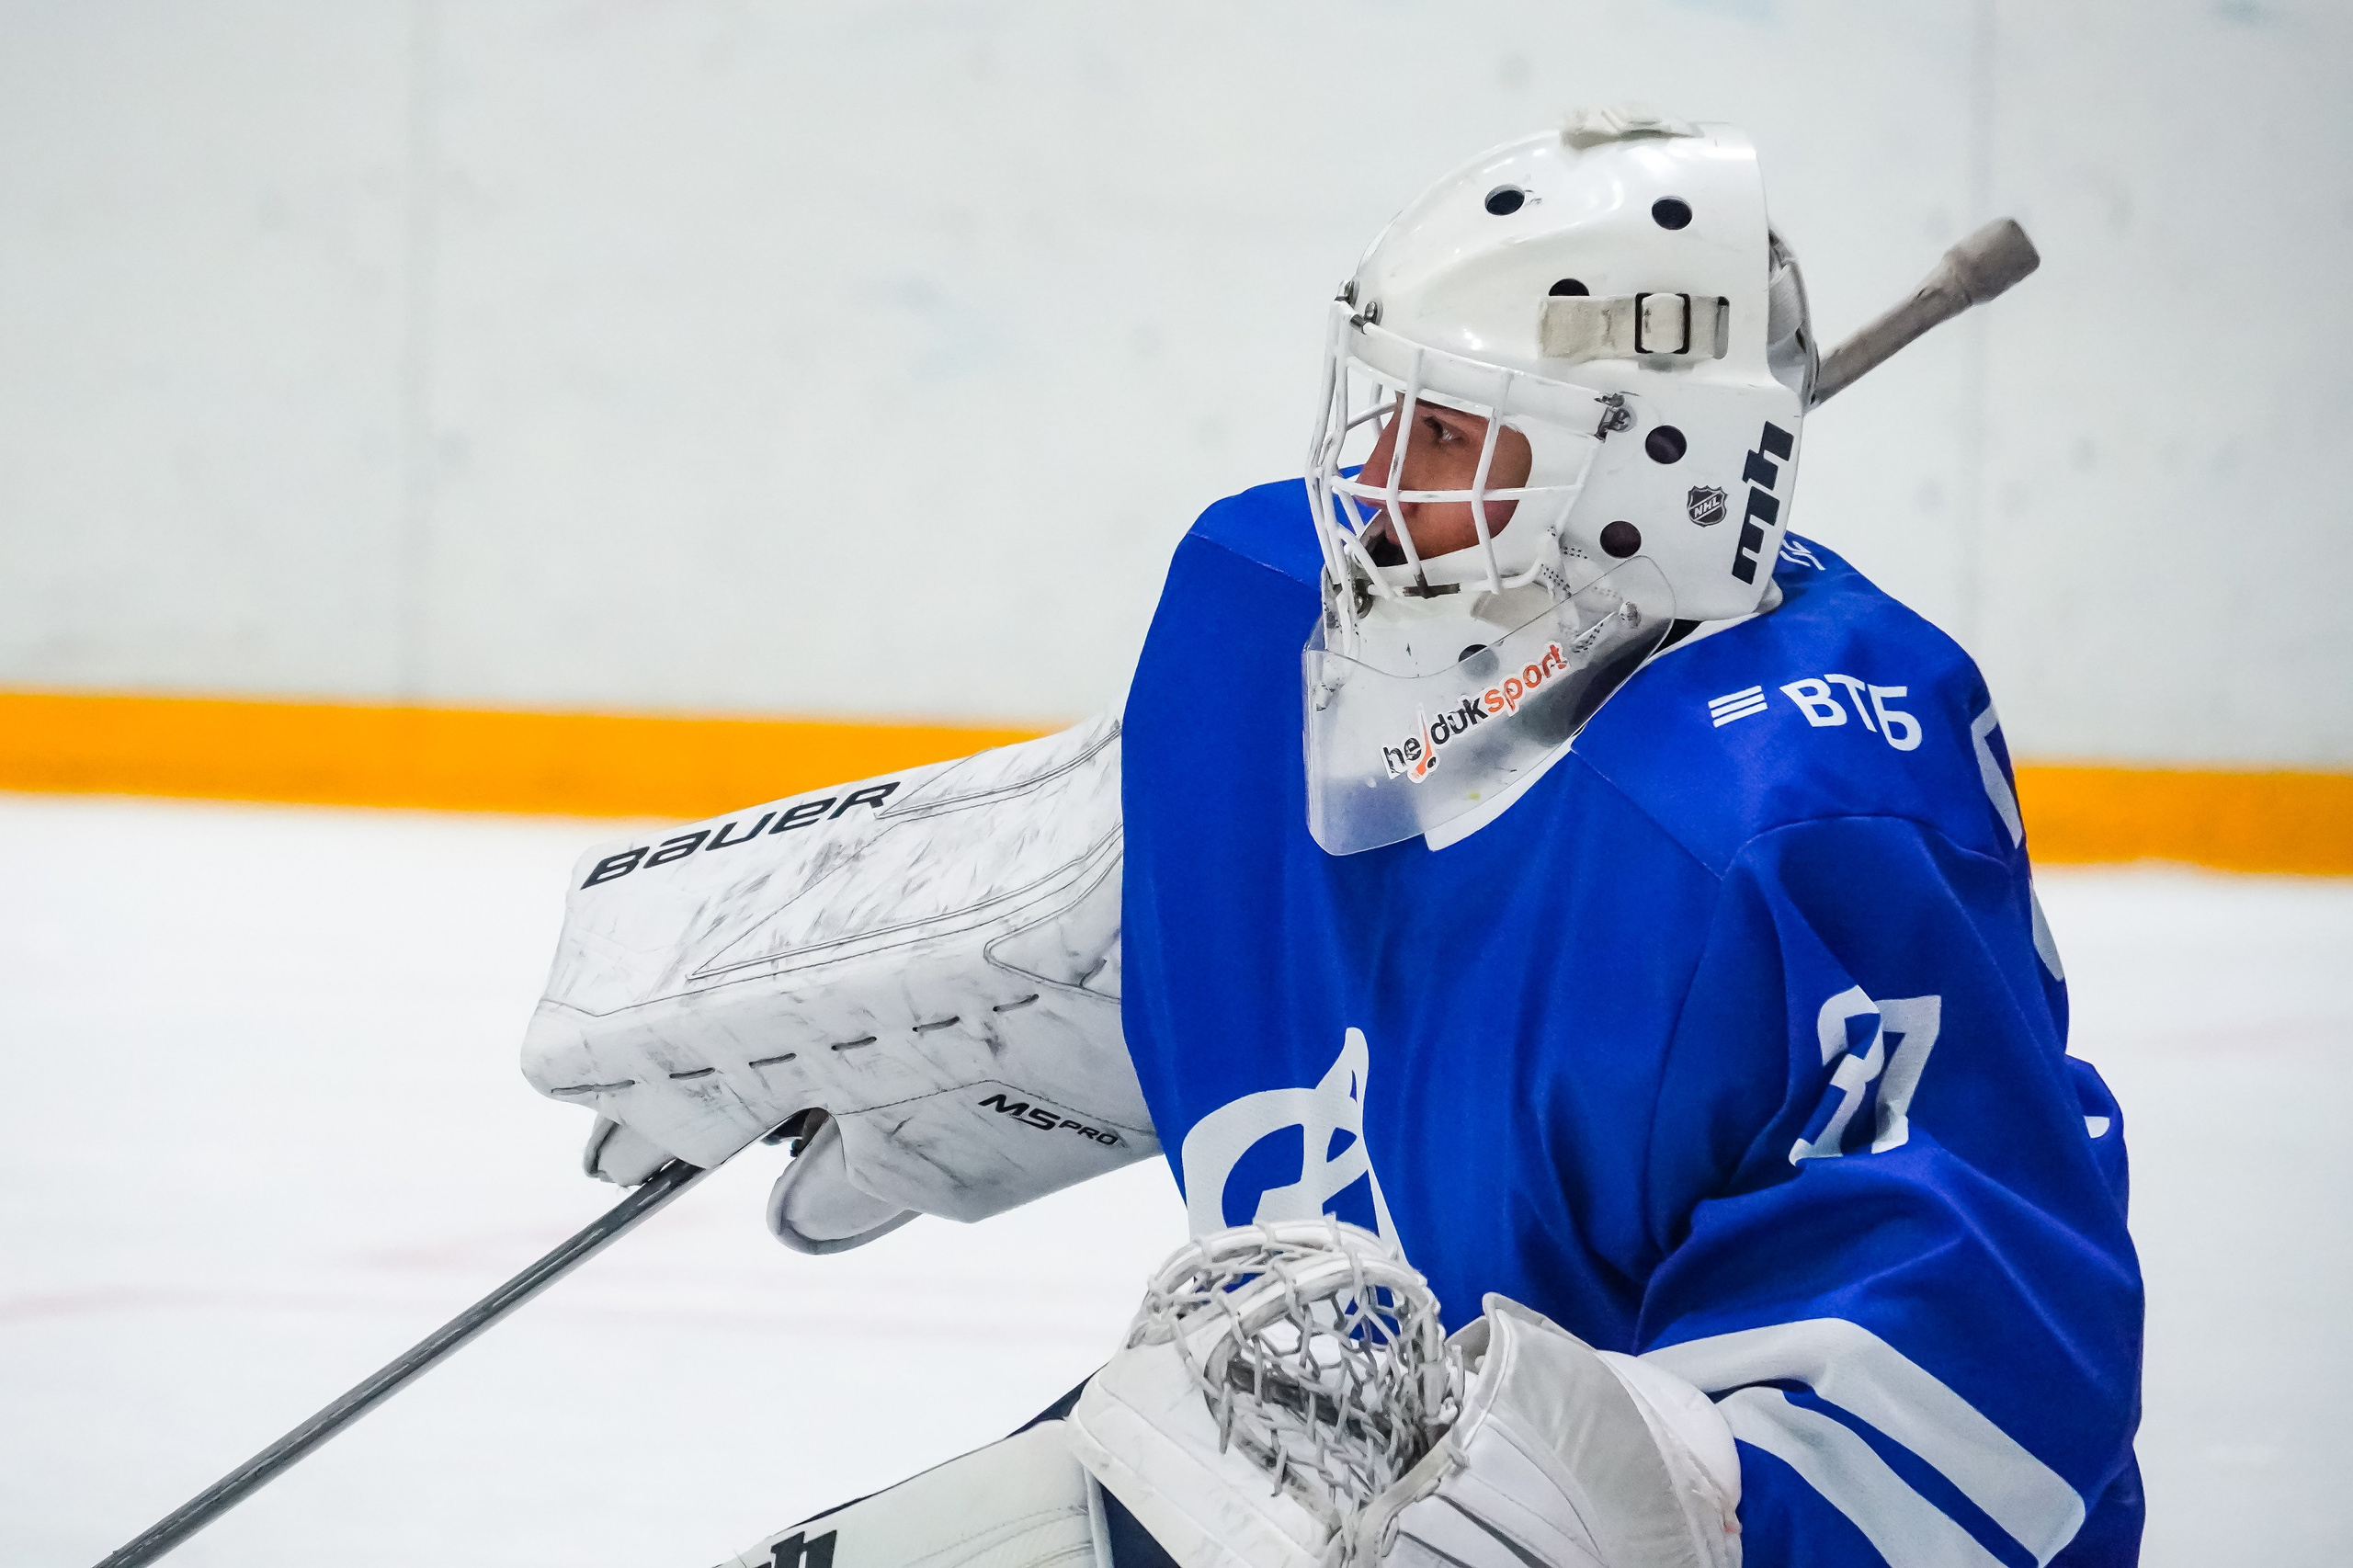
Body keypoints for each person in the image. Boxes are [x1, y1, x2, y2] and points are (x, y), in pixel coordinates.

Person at [534, 107, 2143, 1568]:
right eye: (1385, 417)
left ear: (1647, 474)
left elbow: (1980, 1395)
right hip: (1324, 1454)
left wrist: (1567, 1489)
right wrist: (1102, 978)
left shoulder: (1799, 815)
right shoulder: (1263, 611)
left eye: (1455, 441)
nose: (1373, 487)